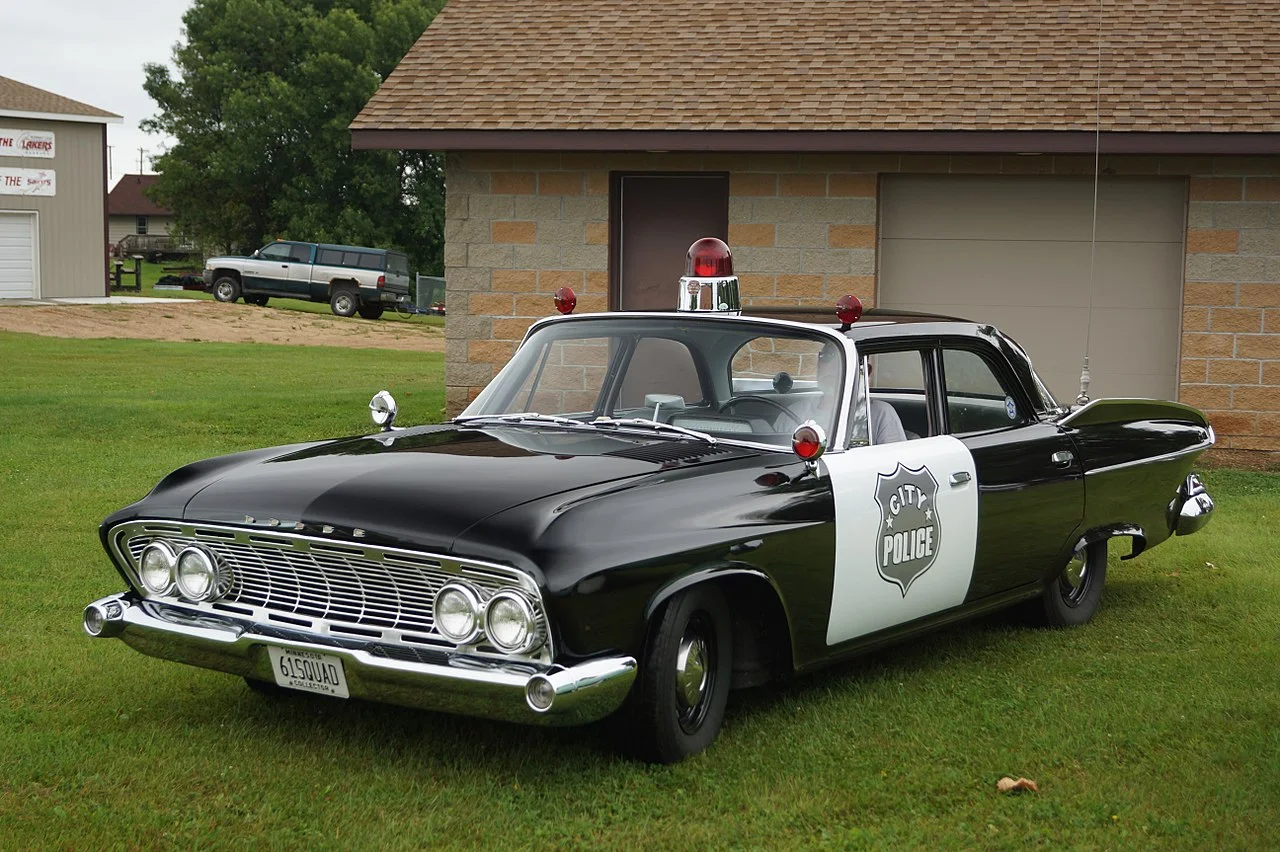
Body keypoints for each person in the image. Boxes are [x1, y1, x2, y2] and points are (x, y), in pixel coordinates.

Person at [800, 343, 907, 443]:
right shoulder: (796, 410)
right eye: (826, 357)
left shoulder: (880, 414)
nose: (833, 367)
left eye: (846, 360)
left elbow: (894, 459)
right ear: (818, 365)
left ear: (865, 371)